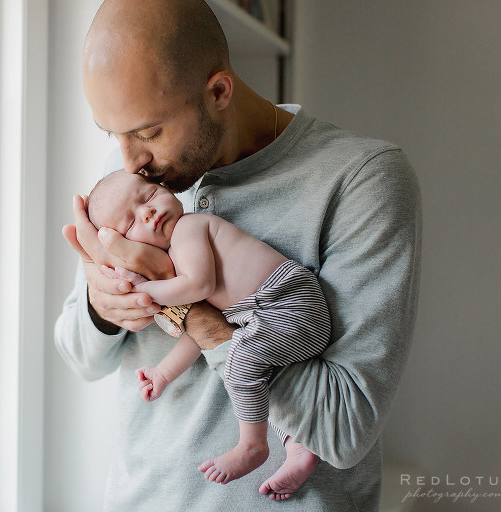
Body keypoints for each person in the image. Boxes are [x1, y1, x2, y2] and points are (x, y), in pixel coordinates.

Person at [55, 0, 422, 509]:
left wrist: (195, 317)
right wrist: (103, 303)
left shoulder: (362, 180)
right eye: (112, 134)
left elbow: (343, 428)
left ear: (219, 91)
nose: (131, 160)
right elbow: (78, 354)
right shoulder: (130, 188)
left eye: (147, 132)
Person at [87, 170, 331, 497]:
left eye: (147, 196)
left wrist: (146, 288)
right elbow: (198, 334)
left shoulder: (189, 227)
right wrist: (163, 373)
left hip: (288, 301)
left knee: (240, 364)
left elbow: (198, 286)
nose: (146, 212)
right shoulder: (178, 262)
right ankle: (297, 443)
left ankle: (252, 446)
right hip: (266, 315)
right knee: (255, 376)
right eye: (130, 224)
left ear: (166, 189)